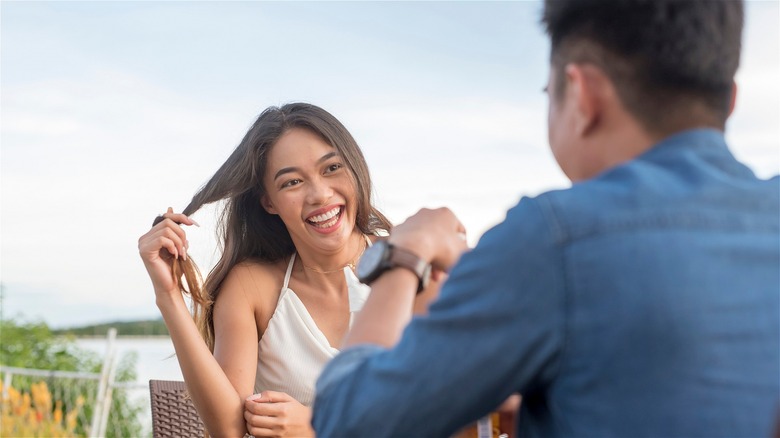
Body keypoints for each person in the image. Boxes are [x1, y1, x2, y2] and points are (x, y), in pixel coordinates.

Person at [312, 1, 780, 437]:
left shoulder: (554, 239)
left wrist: (403, 257)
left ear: (582, 94)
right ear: (730, 100)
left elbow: (347, 419)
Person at [138, 102, 417, 437]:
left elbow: (447, 405)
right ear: (268, 201)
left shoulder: (408, 263)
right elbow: (227, 431)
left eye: (331, 168)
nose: (319, 194)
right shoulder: (252, 287)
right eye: (292, 182)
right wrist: (169, 296)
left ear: (355, 169)